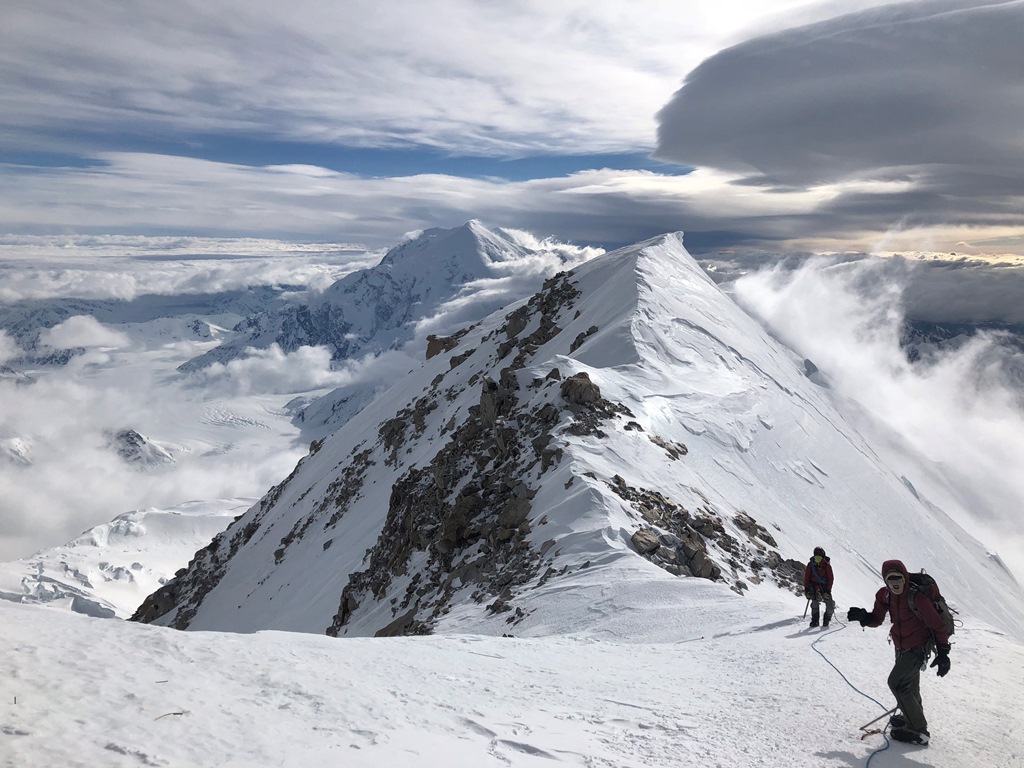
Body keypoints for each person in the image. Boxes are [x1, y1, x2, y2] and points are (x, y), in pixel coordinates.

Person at [847, 559, 951, 746]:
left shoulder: (916, 597)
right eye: (890, 578)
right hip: (900, 646)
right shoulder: (884, 595)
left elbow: (937, 625)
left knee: (896, 683)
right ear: (885, 580)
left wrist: (943, 653)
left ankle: (919, 731)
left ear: (904, 577)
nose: (895, 582)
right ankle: (909, 716)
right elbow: (877, 619)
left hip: (918, 647)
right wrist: (864, 617)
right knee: (909, 685)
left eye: (898, 577)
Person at [803, 546, 834, 628]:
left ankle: (817, 621)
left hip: (817, 586)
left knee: (815, 603)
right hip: (821, 586)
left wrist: (807, 590)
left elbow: (806, 578)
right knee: (828, 605)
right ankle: (823, 621)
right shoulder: (826, 565)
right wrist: (827, 591)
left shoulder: (812, 564)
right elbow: (830, 579)